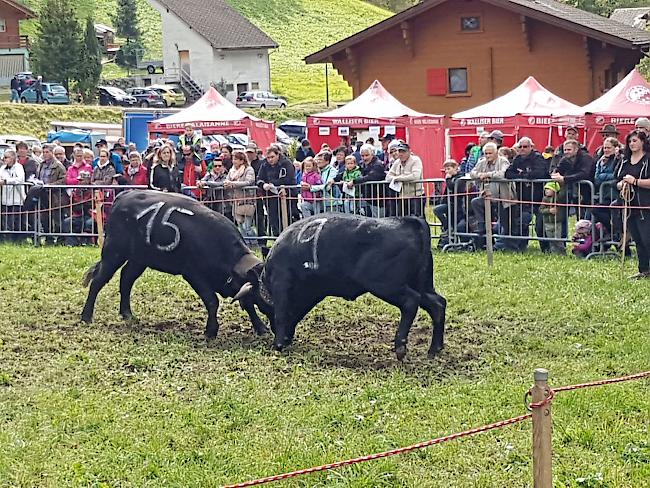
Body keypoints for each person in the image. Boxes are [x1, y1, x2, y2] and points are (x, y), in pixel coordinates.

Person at [470, 142, 518, 250]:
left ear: (496, 153)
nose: (487, 156)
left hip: (504, 197)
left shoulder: (503, 161)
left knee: (506, 224)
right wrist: (479, 175)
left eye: (490, 153)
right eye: (486, 153)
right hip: (487, 197)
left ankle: (507, 246)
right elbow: (472, 173)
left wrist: (488, 175)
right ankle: (482, 227)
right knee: (475, 202)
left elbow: (504, 174)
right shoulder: (482, 162)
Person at [616, 130, 650, 279]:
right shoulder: (625, 160)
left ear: (643, 142)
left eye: (635, 141)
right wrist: (621, 184)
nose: (632, 144)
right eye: (630, 141)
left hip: (646, 206)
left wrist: (635, 181)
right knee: (638, 239)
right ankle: (644, 270)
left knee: (647, 239)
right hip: (629, 206)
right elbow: (615, 180)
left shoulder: (648, 160)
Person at [505, 137, 549, 251]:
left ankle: (546, 249)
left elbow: (539, 173)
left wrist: (522, 175)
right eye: (520, 147)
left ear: (531, 147)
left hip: (539, 198)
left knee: (540, 226)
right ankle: (522, 247)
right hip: (524, 198)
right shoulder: (518, 159)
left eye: (525, 147)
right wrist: (524, 176)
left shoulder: (538, 158)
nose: (522, 149)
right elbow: (508, 173)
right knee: (522, 223)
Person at [257, 146, 296, 239]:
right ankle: (276, 239)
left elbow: (288, 179)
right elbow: (259, 178)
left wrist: (273, 183)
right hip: (270, 196)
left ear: (278, 155)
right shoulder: (264, 164)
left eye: (272, 157)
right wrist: (263, 184)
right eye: (268, 157)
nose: (270, 160)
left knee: (287, 218)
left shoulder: (286, 164)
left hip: (287, 196)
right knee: (273, 220)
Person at [34, 144, 67, 244]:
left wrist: (50, 185)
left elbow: (63, 180)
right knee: (44, 217)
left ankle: (60, 239)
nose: (45, 154)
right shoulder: (41, 165)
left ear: (52, 153)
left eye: (47, 152)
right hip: (43, 194)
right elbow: (38, 176)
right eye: (44, 152)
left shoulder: (58, 165)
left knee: (56, 219)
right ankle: (49, 238)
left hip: (55, 196)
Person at [591, 137, 621, 239]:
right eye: (604, 148)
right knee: (596, 210)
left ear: (615, 148)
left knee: (616, 215)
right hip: (605, 195)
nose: (606, 150)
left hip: (617, 194)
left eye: (609, 148)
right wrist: (604, 174)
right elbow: (596, 179)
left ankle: (619, 239)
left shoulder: (619, 159)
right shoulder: (601, 161)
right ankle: (613, 232)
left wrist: (603, 176)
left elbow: (616, 175)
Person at [226, 150, 257, 245]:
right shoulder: (231, 171)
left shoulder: (249, 170)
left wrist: (233, 184)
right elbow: (226, 180)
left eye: (236, 159)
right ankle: (247, 244)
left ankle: (255, 242)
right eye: (233, 159)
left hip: (248, 200)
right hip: (236, 201)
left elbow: (249, 181)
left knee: (247, 226)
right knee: (240, 225)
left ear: (242, 160)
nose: (233, 161)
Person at [386, 142, 424, 217]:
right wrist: (397, 178)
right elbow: (388, 177)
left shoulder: (416, 160)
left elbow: (415, 176)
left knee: (417, 218)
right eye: (399, 151)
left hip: (416, 196)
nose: (401, 154)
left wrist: (398, 178)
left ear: (409, 151)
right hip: (402, 196)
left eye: (403, 151)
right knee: (402, 219)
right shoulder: (397, 162)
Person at [434, 159, 466, 239]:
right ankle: (447, 227)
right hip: (449, 203)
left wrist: (448, 179)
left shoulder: (460, 177)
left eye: (449, 169)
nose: (446, 171)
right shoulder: (451, 177)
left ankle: (448, 228)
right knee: (437, 210)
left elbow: (453, 188)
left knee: (438, 210)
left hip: (457, 204)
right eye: (445, 169)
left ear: (455, 168)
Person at [353, 143, 386, 217]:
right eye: (362, 156)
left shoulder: (378, 164)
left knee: (378, 220)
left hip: (378, 199)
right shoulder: (361, 164)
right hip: (367, 198)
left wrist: (354, 181)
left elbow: (370, 176)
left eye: (367, 155)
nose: (364, 158)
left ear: (373, 154)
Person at [0, 149, 26, 241]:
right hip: (5, 198)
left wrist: (6, 181)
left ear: (13, 158)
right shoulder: (2, 168)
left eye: (7, 157)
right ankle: (7, 238)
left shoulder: (19, 167)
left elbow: (19, 179)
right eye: (4, 157)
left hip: (17, 198)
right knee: (6, 219)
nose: (4, 159)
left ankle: (17, 239)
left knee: (16, 220)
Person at [62, 170, 94, 246]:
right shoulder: (76, 191)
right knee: (67, 222)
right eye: (79, 180)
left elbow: (92, 204)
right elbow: (73, 205)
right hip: (78, 215)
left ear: (87, 180)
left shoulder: (94, 189)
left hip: (90, 215)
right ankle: (72, 242)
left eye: (82, 180)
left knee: (89, 223)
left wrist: (83, 205)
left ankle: (87, 242)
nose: (80, 182)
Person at [539, 181, 566, 255]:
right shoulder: (544, 199)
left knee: (558, 239)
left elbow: (562, 194)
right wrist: (549, 210)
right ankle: (554, 253)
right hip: (547, 223)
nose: (546, 191)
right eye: (545, 189)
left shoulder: (558, 198)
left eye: (549, 189)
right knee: (551, 239)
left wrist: (561, 183)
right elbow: (541, 209)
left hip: (557, 223)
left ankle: (562, 253)